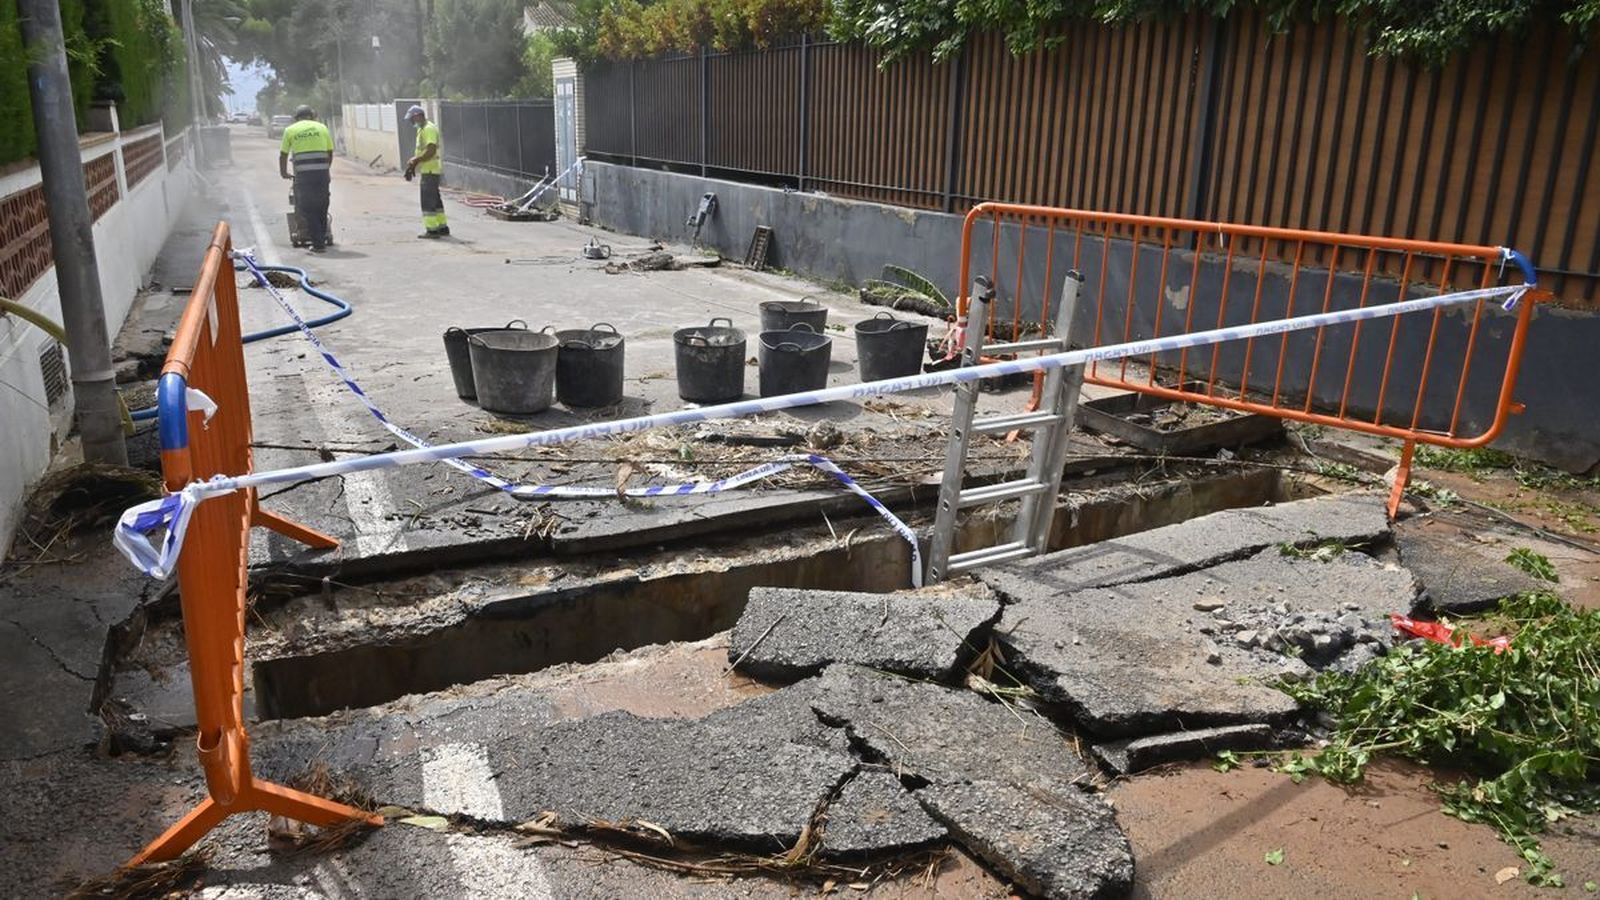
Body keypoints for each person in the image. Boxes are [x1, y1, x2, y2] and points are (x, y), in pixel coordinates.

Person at [277, 105, 334, 252]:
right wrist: (325, 169)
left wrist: (284, 172)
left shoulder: (290, 130)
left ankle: (318, 244)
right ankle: (321, 236)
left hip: (304, 176)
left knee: (308, 208)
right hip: (322, 174)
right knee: (322, 205)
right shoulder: (322, 128)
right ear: (312, 116)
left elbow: (283, 154)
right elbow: (329, 152)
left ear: (296, 117)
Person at [404, 105, 449, 238]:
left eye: (412, 119)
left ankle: (432, 230)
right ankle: (443, 227)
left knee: (427, 201)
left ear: (418, 116)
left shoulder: (428, 129)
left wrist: (416, 160)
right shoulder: (422, 129)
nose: (412, 122)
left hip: (430, 170)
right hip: (429, 170)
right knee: (435, 200)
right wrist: (413, 165)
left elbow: (431, 150)